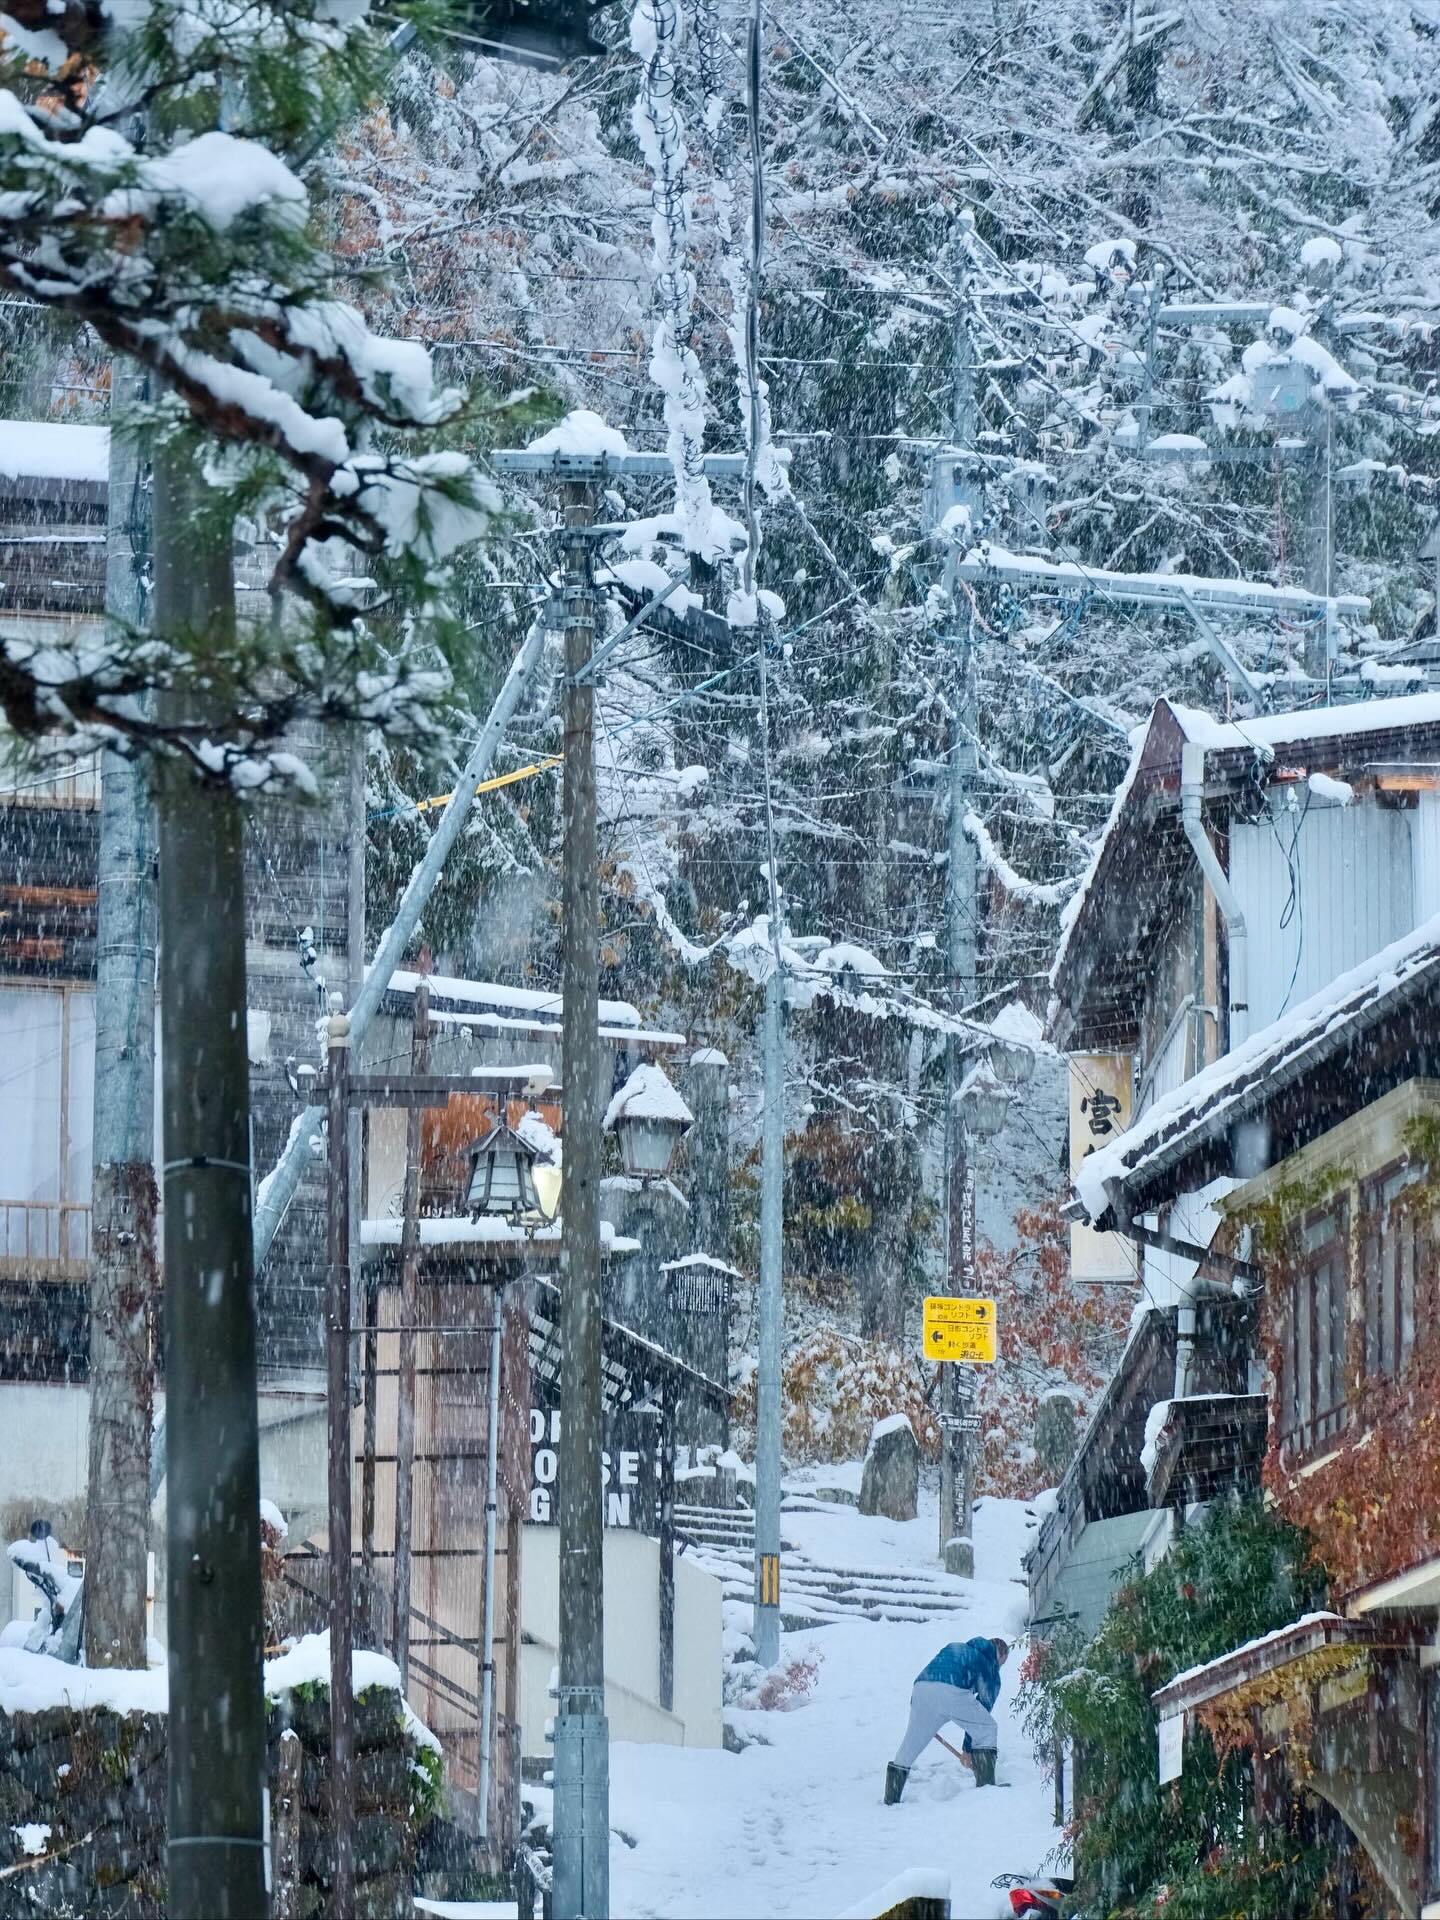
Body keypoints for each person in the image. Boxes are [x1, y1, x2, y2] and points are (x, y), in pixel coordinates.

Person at [884, 1635, 1008, 1803]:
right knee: (987, 1728)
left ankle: (891, 1798)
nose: (1000, 1667)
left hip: (920, 1690)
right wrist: (967, 1750)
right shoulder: (989, 1664)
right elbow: (983, 1709)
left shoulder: (956, 1647)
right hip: (950, 1689)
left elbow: (933, 1676)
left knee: (911, 1745)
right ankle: (986, 1790)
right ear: (999, 1655)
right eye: (1002, 1662)